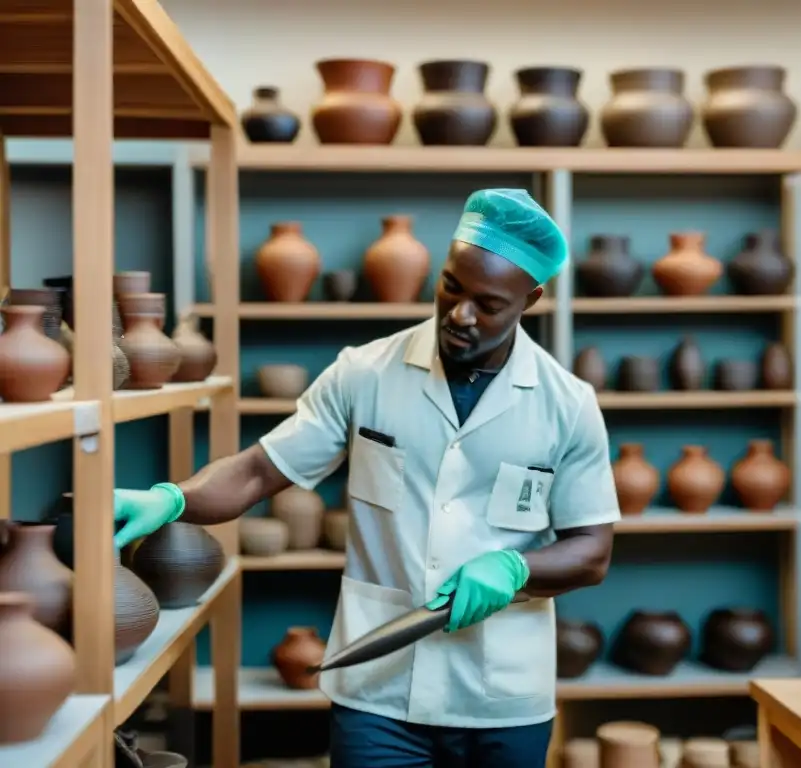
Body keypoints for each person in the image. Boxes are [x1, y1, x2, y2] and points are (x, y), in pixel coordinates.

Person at [113, 188, 620, 768]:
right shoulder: (366, 372)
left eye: (488, 303)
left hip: (501, 697)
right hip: (379, 691)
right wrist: (173, 498)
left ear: (529, 299)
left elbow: (592, 551)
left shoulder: (567, 404)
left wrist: (516, 568)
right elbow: (257, 471)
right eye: (451, 285)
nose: (459, 314)